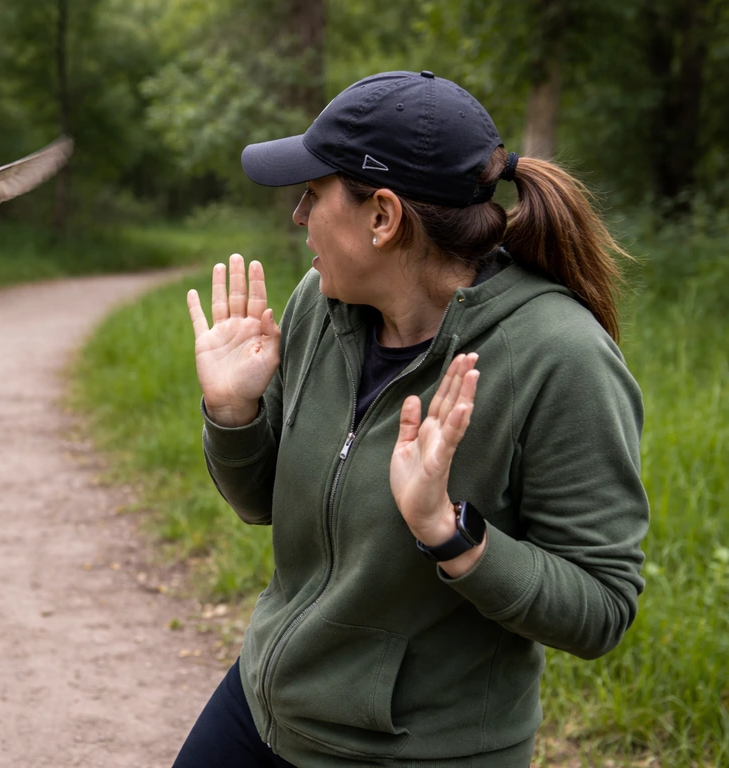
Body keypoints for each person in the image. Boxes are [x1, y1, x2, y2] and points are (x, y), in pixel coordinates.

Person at [175, 71, 649, 768]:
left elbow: (602, 605)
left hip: (415, 752)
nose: (298, 218)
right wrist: (233, 411)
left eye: (312, 195)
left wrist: (450, 534)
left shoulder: (561, 358)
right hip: (269, 702)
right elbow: (259, 505)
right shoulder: (321, 303)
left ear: (383, 217)